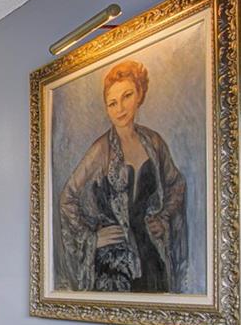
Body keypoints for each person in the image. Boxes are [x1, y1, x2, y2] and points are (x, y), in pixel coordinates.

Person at [57, 59, 187, 293]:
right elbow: (67, 197)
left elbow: (176, 184)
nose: (120, 109)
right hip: (114, 262)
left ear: (140, 95)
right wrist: (93, 238)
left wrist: (164, 218)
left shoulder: (153, 142)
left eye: (127, 96)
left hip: (151, 254)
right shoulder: (101, 149)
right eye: (112, 103)